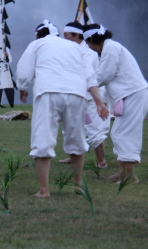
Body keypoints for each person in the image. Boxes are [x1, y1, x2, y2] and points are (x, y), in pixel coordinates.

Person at [16, 20, 109, 198]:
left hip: (48, 91)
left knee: (43, 139)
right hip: (76, 93)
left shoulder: (36, 44)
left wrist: (23, 87)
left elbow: (24, 72)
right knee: (77, 139)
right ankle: (78, 186)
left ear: (39, 35)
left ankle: (44, 190)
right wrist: (100, 102)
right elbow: (89, 76)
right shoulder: (75, 47)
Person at [84, 23, 148, 184]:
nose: (90, 48)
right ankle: (122, 172)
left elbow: (104, 75)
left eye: (88, 43)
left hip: (133, 96)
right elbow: (108, 79)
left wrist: (84, 85)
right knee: (118, 133)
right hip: (129, 96)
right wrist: (102, 101)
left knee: (124, 134)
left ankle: (130, 177)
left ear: (92, 39)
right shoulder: (110, 48)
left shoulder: (111, 48)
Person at [59, 21, 110, 168]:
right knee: (69, 127)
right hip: (73, 94)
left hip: (90, 97)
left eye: (66, 35)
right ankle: (72, 156)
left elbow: (87, 76)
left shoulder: (88, 53)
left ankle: (101, 161)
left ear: (76, 35)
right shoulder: (68, 51)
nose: (64, 38)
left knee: (93, 130)